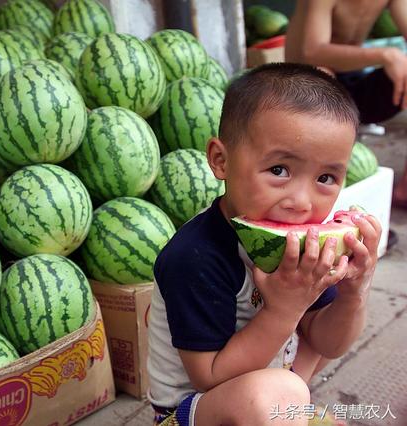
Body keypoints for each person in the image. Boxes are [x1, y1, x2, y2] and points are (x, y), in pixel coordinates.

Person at [147, 63, 382, 426]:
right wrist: (284, 309)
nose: (301, 202)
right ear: (220, 160)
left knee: (290, 383)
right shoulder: (193, 258)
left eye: (325, 177)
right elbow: (209, 376)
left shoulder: (304, 245)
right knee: (274, 394)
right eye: (279, 170)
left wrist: (354, 292)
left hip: (275, 395)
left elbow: (328, 344)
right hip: (195, 412)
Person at [285, 0, 407, 210]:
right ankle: (314, 203)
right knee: (321, 72)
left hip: (351, 77)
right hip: (304, 85)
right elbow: (311, 51)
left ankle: (404, 191)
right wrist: (386, 55)